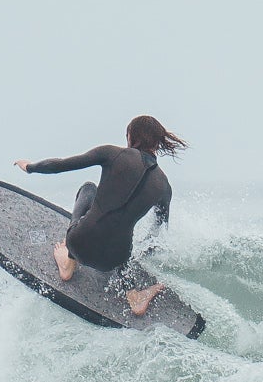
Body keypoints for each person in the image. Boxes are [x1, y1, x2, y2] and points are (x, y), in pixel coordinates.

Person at [16, 116, 185, 316]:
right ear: (157, 144)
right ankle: (134, 296)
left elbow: (61, 165)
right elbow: (160, 228)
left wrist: (30, 167)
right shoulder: (164, 186)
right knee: (122, 232)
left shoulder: (112, 153)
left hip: (78, 243)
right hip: (113, 260)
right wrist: (143, 253)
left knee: (88, 189)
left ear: (131, 136)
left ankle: (69, 262)